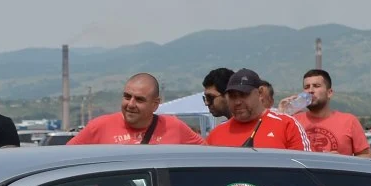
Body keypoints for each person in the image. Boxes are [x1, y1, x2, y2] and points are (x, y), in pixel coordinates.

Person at [68, 73, 203, 145]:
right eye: (127, 97)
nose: (131, 104)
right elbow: (65, 159)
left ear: (155, 104)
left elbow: (206, 159)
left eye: (139, 99)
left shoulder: (174, 127)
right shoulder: (99, 127)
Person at [205, 69, 310, 149]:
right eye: (232, 96)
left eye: (243, 95)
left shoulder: (287, 125)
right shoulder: (216, 134)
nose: (237, 102)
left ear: (260, 93)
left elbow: (304, 166)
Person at [290, 69, 371, 156]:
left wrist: (340, 160)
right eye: (307, 87)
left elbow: (367, 156)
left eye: (316, 86)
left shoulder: (349, 121)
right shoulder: (293, 121)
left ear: (329, 93)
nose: (310, 90)